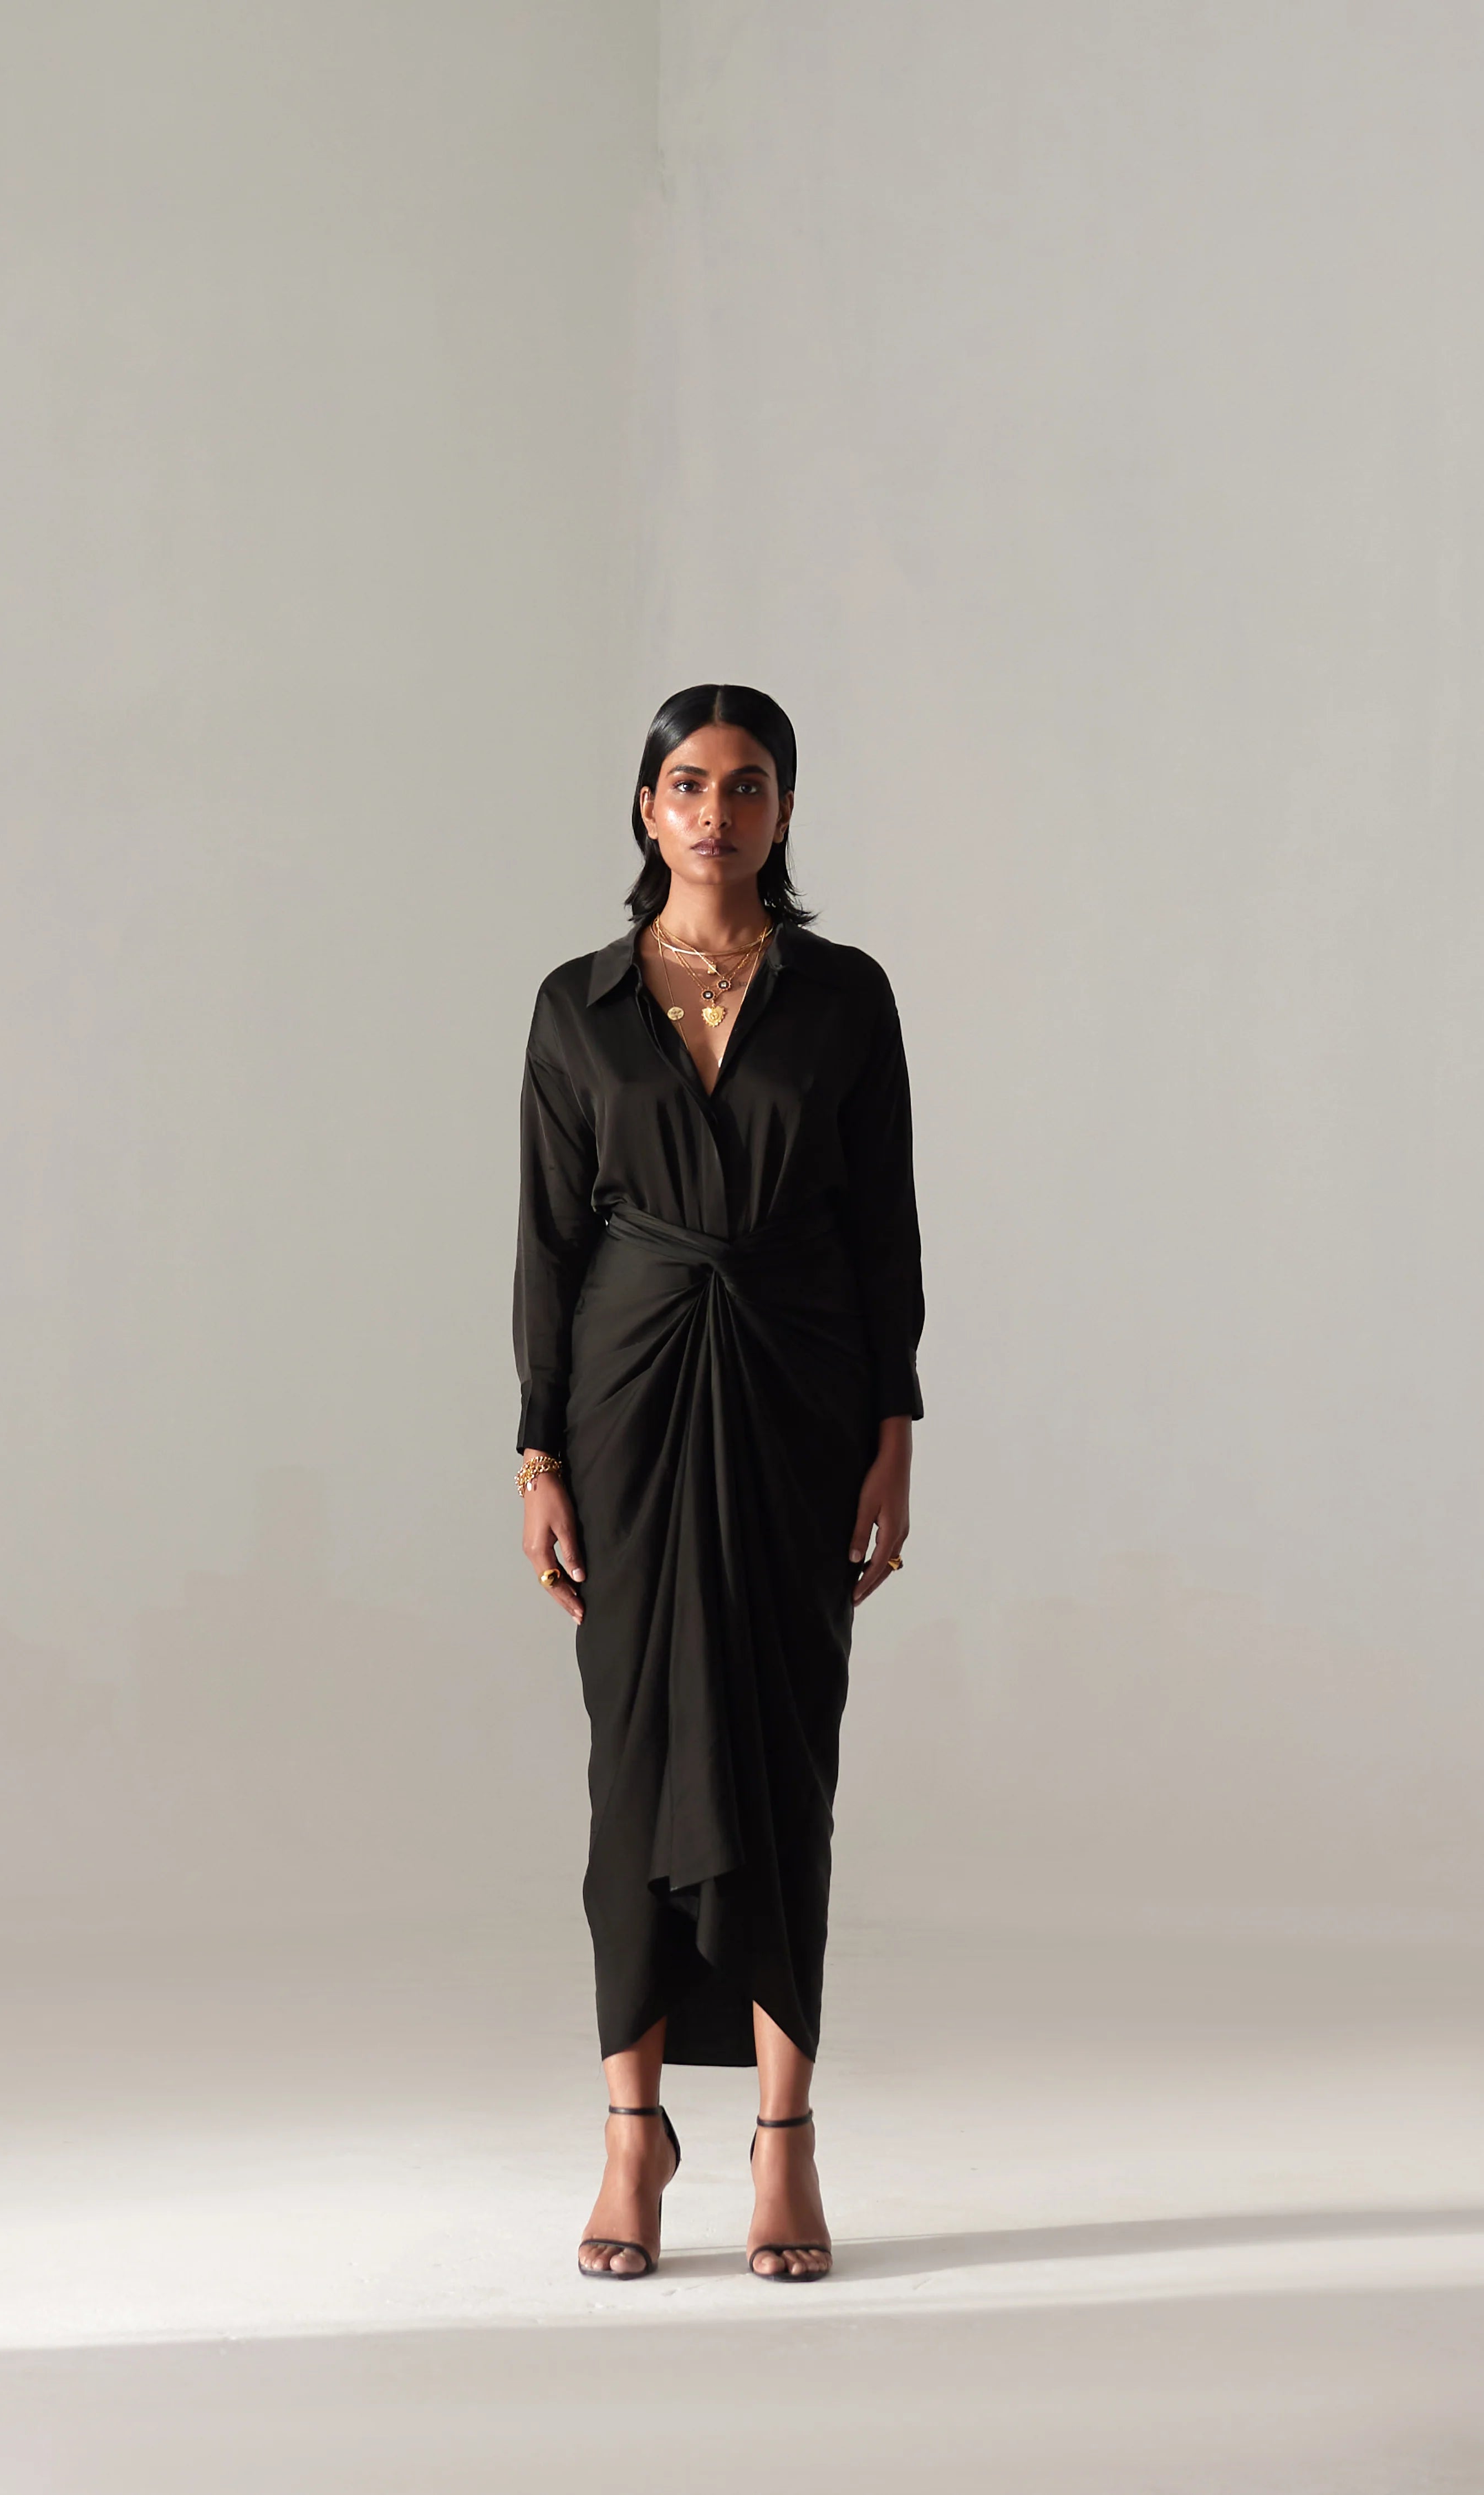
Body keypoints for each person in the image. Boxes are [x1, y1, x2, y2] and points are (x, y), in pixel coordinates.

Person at [512, 683, 925, 2282]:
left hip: (800, 1393)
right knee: (633, 1760)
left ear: (784, 812)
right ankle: (633, 2132)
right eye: (688, 783)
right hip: (625, 1399)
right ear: (646, 807)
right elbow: (549, 1244)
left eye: (748, 785)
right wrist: (539, 1449)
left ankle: (784, 2136)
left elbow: (884, 1227)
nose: (716, 810)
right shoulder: (578, 1005)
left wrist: (894, 1423)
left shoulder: (845, 996)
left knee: (784, 1754)